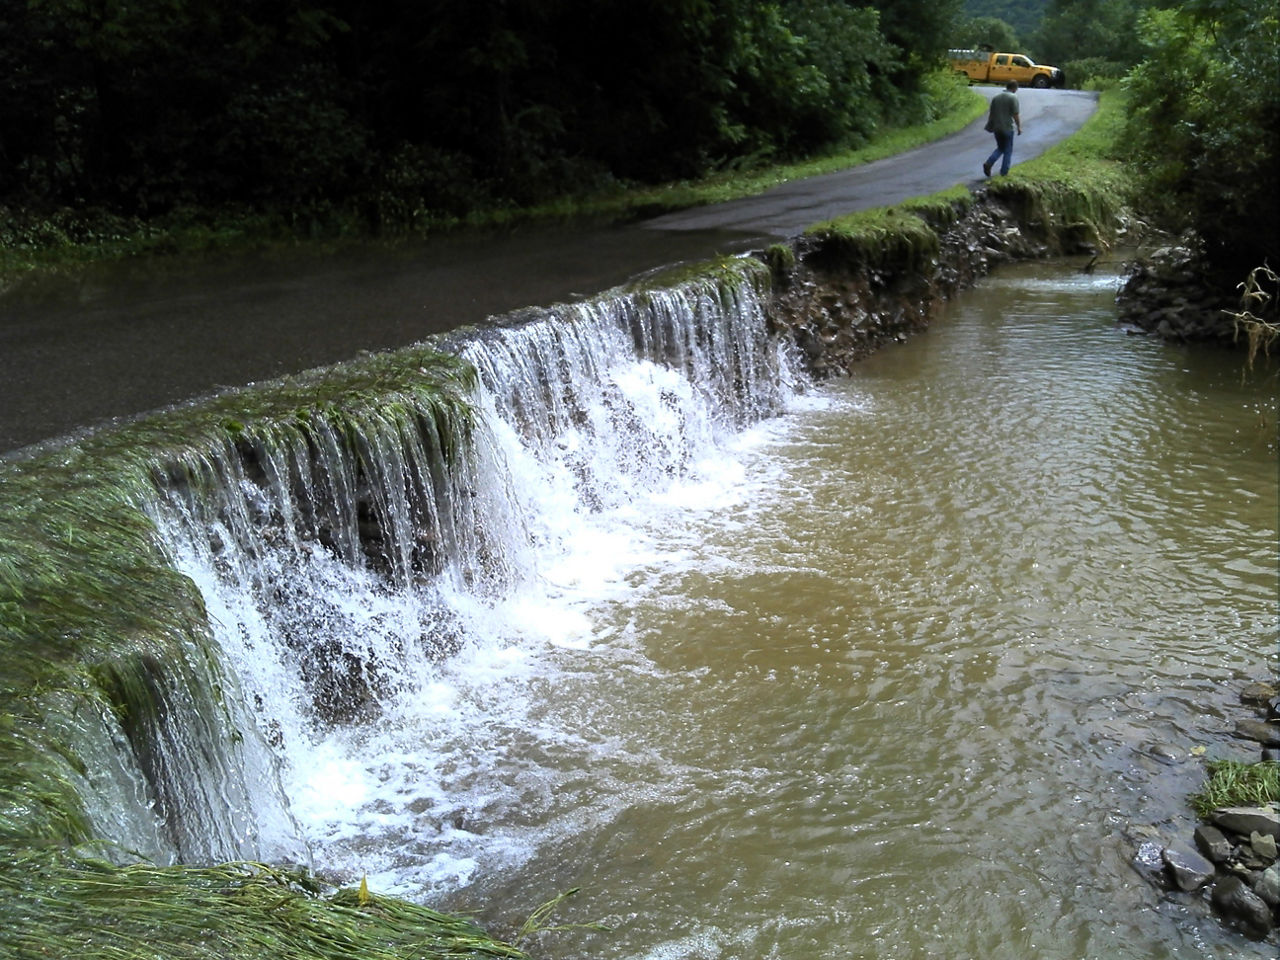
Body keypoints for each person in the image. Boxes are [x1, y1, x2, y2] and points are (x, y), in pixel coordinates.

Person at [982, 81, 1022, 177]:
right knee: (1008, 150)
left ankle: (989, 162)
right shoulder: (1013, 97)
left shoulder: (996, 97)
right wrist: (1019, 127)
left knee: (1001, 148)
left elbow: (992, 113)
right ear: (1014, 88)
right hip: (1007, 127)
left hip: (997, 127)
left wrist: (990, 126)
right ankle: (1004, 172)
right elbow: (1015, 114)